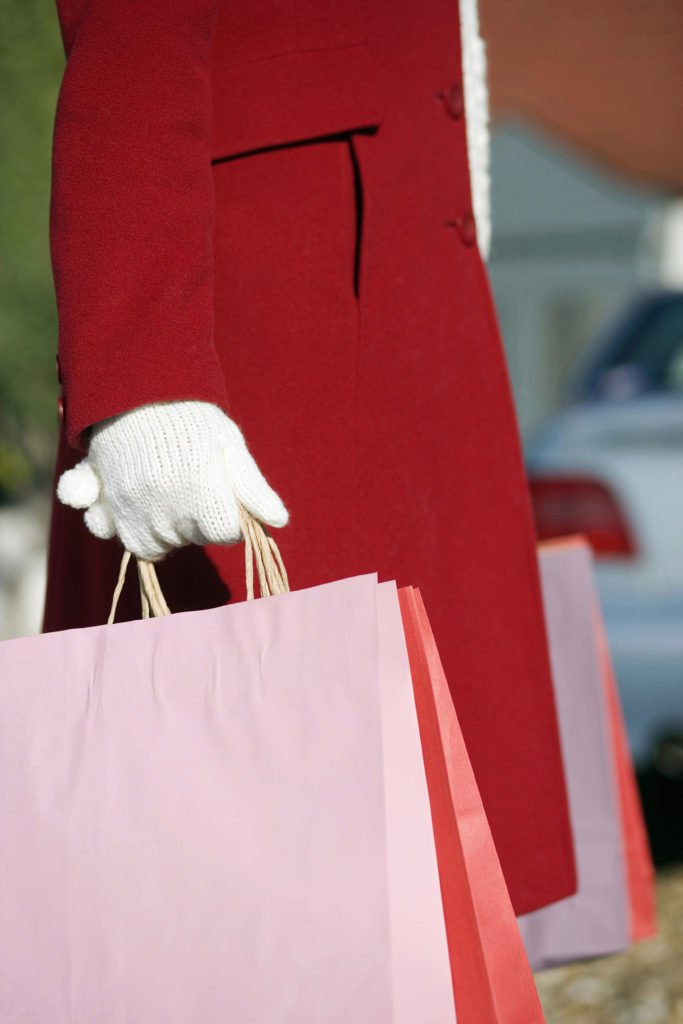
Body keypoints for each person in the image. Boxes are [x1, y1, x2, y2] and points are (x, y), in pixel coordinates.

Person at [44, 0, 576, 915]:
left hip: (405, 309)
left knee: (415, 891)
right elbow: (131, 42)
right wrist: (144, 378)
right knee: (243, 889)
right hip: (263, 345)